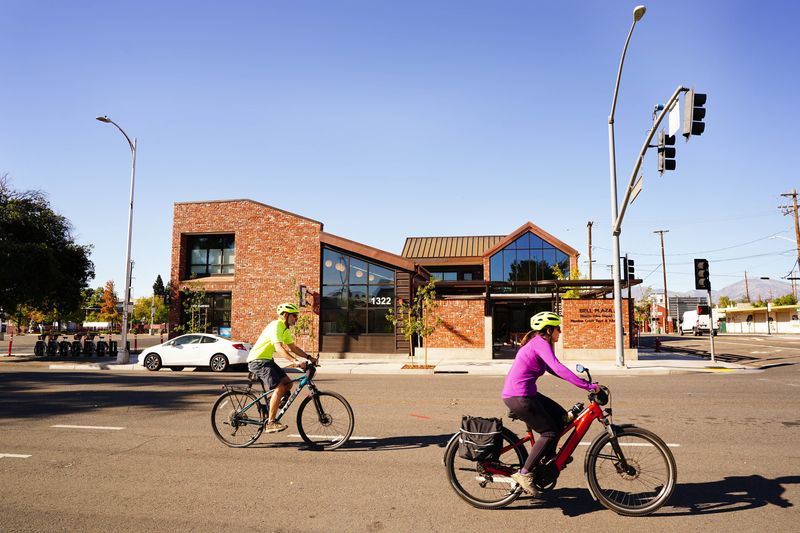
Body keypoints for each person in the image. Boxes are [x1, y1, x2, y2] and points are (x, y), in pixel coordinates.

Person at [501, 311, 599, 496]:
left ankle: (548, 462)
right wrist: (587, 386)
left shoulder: (539, 343)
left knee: (563, 418)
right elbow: (557, 367)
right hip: (519, 396)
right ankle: (524, 473)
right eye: (558, 328)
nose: (560, 332)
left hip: (527, 394)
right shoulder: (540, 343)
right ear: (549, 329)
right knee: (550, 432)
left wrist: (581, 383)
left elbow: (552, 368)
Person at [247, 303, 318, 433]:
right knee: (279, 387)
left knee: (287, 384)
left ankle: (269, 406)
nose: (296, 319)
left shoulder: (285, 329)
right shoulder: (276, 326)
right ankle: (271, 422)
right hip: (258, 361)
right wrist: (295, 361)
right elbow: (279, 348)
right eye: (294, 316)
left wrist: (309, 357)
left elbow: (293, 348)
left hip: (267, 360)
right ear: (286, 315)